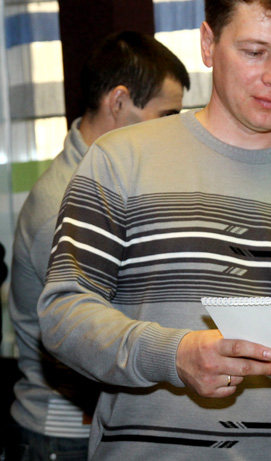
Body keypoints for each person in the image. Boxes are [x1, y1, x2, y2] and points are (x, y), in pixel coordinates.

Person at [37, 0, 271, 459]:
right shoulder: (120, 160)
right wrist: (174, 354)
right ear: (208, 44)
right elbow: (63, 314)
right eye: (254, 51)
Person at [7, 30, 189, 460]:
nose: (175, 130)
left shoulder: (115, 181)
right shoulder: (64, 203)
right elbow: (86, 339)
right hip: (66, 434)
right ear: (119, 101)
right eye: (166, 115)